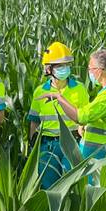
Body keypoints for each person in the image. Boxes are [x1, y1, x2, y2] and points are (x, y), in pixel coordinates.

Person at [37, 49, 106, 179]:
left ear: (99, 70)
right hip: (95, 158)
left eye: (90, 68)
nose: (89, 72)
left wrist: (59, 98)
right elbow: (97, 118)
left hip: (100, 159)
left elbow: (80, 117)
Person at [27, 41, 90, 189]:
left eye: (67, 65)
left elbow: (86, 118)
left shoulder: (80, 89)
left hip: (72, 143)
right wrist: (31, 144)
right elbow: (34, 121)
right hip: (47, 145)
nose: (65, 69)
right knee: (49, 187)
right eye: (60, 66)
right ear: (48, 69)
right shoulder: (40, 91)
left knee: (73, 186)